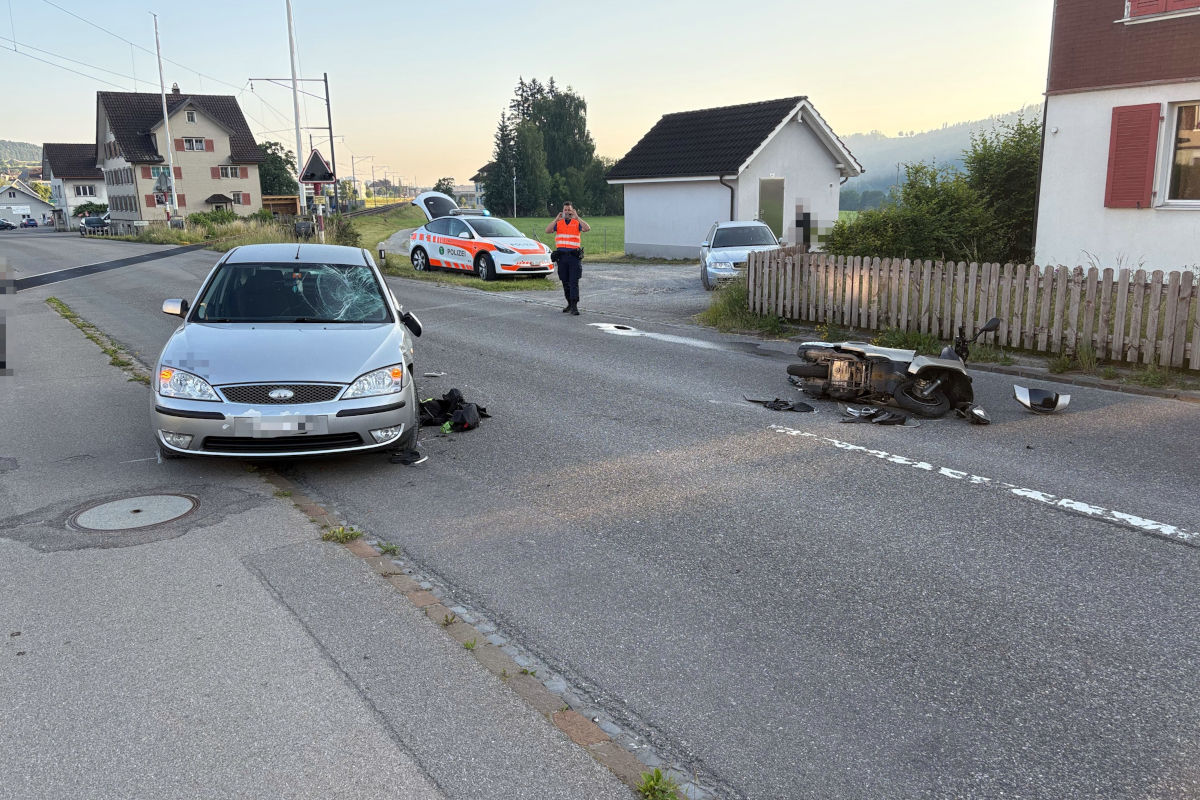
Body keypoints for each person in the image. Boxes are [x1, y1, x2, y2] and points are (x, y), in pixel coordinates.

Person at [546, 201, 590, 315]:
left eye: (569, 210)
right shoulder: (559, 223)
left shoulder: (576, 222)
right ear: (562, 211)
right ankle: (569, 304)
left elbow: (587, 228)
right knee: (565, 282)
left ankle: (574, 306)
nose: (567, 212)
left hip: (574, 257)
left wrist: (577, 217)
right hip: (562, 257)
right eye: (565, 210)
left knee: (573, 282)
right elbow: (548, 230)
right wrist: (556, 219)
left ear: (572, 210)